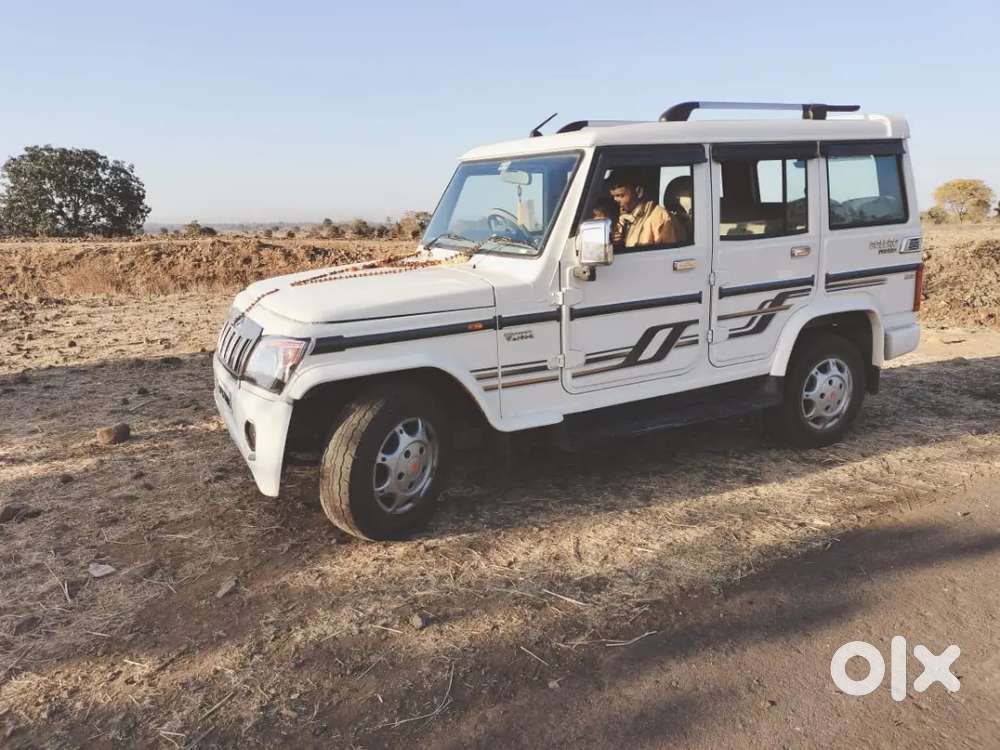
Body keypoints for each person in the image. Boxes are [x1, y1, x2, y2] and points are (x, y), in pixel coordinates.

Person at [605, 169, 682, 248]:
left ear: (638, 191)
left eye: (620, 196)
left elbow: (670, 254)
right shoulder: (622, 219)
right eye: (613, 197)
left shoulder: (660, 218)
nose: (616, 201)